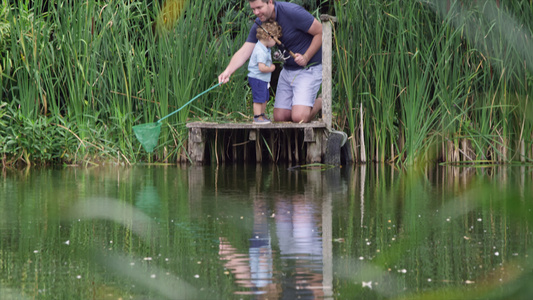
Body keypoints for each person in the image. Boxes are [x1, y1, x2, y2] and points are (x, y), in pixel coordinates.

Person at [218, 0, 323, 123]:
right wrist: (228, 71)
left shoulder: (292, 12)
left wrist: (306, 57)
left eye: (259, 7)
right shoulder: (261, 23)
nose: (256, 12)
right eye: (253, 9)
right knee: (280, 118)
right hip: (288, 70)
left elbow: (321, 31)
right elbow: (245, 51)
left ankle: (321, 102)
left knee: (299, 118)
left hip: (309, 68)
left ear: (270, 2)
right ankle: (302, 104)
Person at [247, 21, 282, 124]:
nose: (276, 42)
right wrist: (271, 68)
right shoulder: (260, 51)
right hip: (257, 78)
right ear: (270, 38)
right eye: (276, 39)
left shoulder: (266, 48)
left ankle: (262, 115)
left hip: (263, 79)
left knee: (265, 97)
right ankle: (257, 117)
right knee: (259, 98)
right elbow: (261, 68)